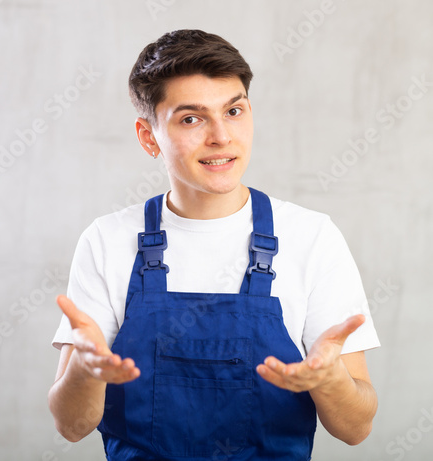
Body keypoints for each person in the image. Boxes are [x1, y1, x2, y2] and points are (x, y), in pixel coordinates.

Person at [48, 29, 379, 460]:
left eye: (234, 111)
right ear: (149, 137)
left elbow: (356, 429)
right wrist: (85, 371)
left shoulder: (312, 238)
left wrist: (330, 379)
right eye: (192, 118)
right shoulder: (107, 241)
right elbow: (71, 426)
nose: (221, 136)